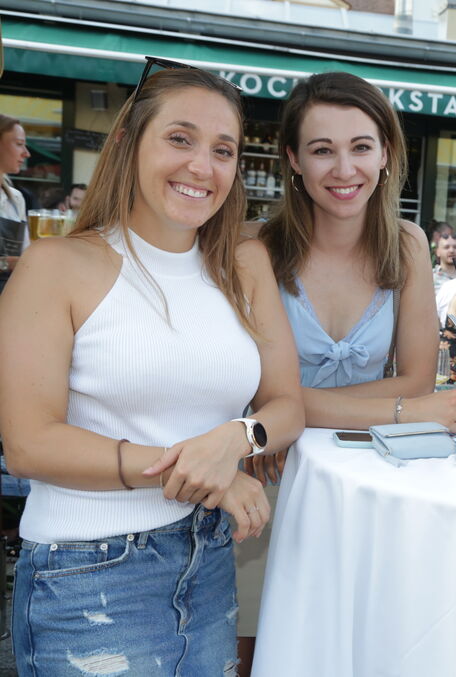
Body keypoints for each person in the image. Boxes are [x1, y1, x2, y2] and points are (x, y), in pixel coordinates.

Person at [0, 62, 305, 675]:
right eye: (180, 138)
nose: (202, 167)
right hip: (85, 574)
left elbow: (287, 406)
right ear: (127, 142)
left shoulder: (245, 265)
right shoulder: (55, 266)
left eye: (223, 150)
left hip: (209, 561)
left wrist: (234, 440)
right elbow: (29, 444)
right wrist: (205, 475)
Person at [258, 72, 456, 434]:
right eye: (322, 150)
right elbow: (254, 396)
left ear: (384, 153)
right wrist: (403, 410)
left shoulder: (407, 245)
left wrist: (292, 405)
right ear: (294, 159)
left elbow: (419, 383)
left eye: (361, 147)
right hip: (269, 457)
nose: (344, 170)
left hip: (365, 458)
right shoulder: (257, 247)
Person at [0, 114, 31, 292]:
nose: (26, 153)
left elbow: (25, 254)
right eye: (19, 144)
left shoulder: (16, 199)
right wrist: (6, 263)